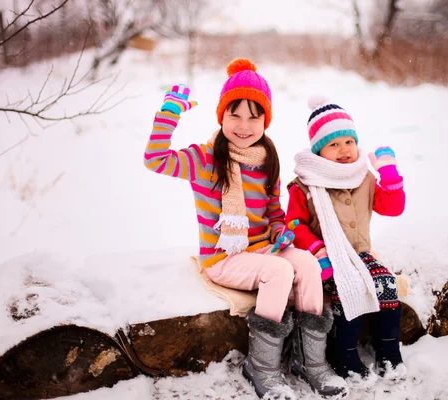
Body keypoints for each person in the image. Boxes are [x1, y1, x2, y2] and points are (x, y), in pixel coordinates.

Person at [143, 60, 348, 400]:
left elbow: (272, 208)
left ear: (265, 121)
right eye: (234, 115)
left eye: (254, 117)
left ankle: (310, 362)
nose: (243, 125)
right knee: (280, 271)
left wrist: (281, 230)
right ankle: (263, 367)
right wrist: (170, 112)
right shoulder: (205, 159)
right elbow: (155, 159)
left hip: (264, 247)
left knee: (309, 266)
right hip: (225, 256)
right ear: (221, 116)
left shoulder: (266, 157)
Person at [285, 96, 407, 385]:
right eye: (334, 144)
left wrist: (388, 173)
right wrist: (317, 251)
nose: (344, 151)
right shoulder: (305, 184)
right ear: (318, 151)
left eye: (348, 142)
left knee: (386, 283)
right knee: (347, 288)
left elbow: (393, 207)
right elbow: (294, 225)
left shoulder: (364, 178)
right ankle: (344, 354)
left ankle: (388, 350)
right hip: (326, 257)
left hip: (361, 253)